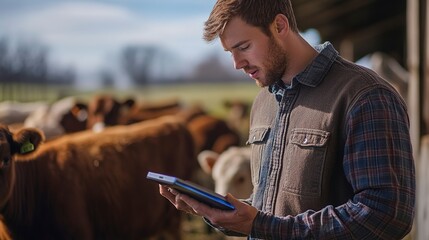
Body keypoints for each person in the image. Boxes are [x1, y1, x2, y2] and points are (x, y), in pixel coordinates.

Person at [159, 0, 416, 239]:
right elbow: (271, 208)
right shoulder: (263, 103)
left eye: (244, 47)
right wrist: (220, 212)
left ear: (279, 26)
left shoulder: (365, 95)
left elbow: (386, 214)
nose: (237, 64)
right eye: (230, 52)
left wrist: (264, 226)